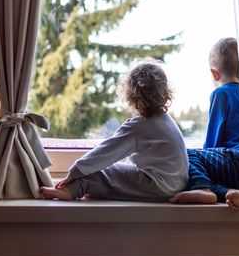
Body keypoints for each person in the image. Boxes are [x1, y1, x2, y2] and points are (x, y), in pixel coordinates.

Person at [40, 61, 189, 201]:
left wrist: (74, 172)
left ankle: (72, 190)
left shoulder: (139, 126)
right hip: (176, 185)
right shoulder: (166, 120)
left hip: (158, 185)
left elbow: (105, 152)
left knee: (101, 171)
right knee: (116, 174)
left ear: (131, 96)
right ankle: (91, 190)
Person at [170, 38, 239, 209]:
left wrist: (203, 156)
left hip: (238, 161)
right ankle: (234, 192)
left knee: (186, 154)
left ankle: (203, 189)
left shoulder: (221, 93)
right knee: (205, 170)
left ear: (214, 73)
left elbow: (213, 140)